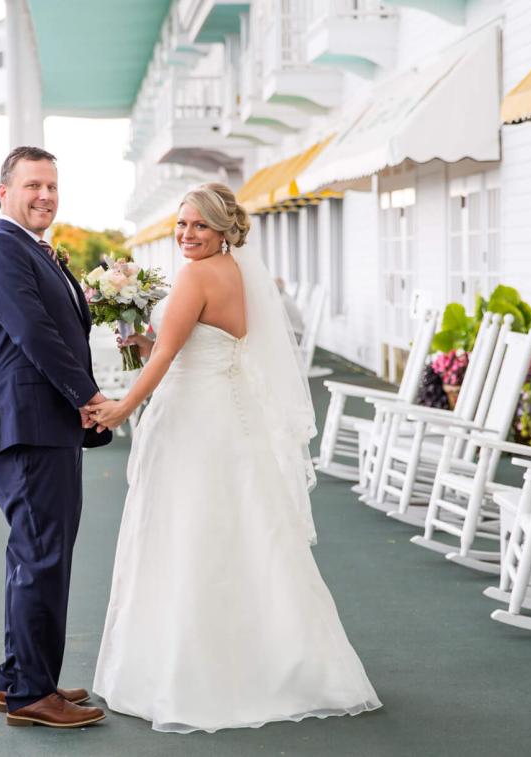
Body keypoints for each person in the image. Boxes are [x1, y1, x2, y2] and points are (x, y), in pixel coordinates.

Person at [87, 182, 380, 734]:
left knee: (189, 535)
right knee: (242, 534)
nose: (187, 235)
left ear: (224, 230)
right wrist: (135, 337)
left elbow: (169, 353)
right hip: (227, 414)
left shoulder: (197, 274)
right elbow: (190, 343)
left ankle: (192, 676)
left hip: (196, 420)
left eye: (199, 225)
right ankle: (279, 662)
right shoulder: (237, 272)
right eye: (181, 224)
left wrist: (124, 405)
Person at [0, 146, 112, 729]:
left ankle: (23, 679)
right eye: (33, 185)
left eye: (52, 186)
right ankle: (32, 692)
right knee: (41, 555)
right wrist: (90, 398)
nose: (45, 195)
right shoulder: (0, 248)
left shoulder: (33, 250)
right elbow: (35, 333)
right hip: (28, 424)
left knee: (39, 554)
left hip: (45, 424)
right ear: (3, 193)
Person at [275, 276, 306, 341]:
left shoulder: (283, 301)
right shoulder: (286, 297)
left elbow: (278, 321)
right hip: (296, 332)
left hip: (295, 334)